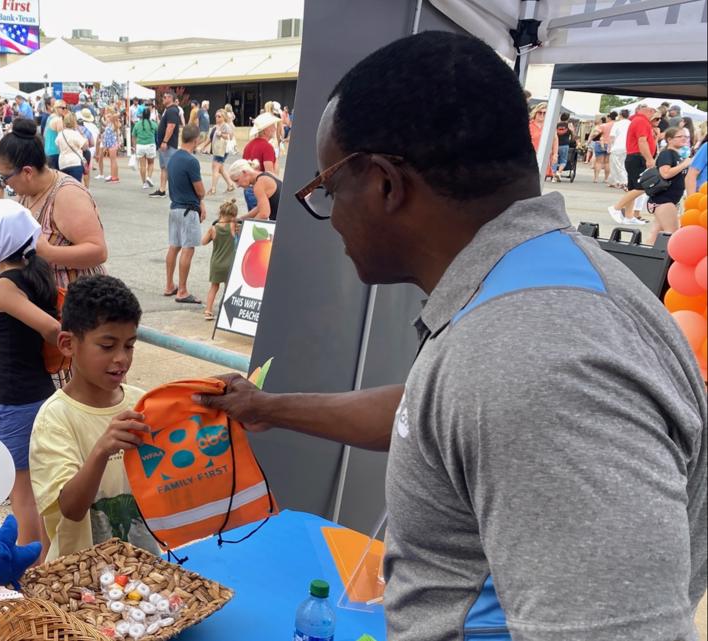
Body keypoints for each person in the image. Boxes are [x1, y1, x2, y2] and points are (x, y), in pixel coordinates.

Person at [198, 31, 706, 640]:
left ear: (386, 183)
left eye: (329, 191)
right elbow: (433, 416)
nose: (331, 218)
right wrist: (267, 408)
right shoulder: (533, 286)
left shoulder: (534, 358)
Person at [28, 275, 159, 561]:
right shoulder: (55, 418)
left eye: (129, 345)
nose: (122, 358)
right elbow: (71, 509)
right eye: (107, 345)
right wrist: (102, 449)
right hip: (79, 581)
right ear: (67, 344)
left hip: (145, 568)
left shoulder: (143, 403)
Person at [0, 199, 61, 548]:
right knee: (30, 489)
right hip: (28, 392)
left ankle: (30, 568)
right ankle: (38, 560)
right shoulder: (32, 272)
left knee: (21, 491)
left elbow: (54, 329)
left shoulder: (3, 287)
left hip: (17, 399)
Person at [0, 119, 106, 292]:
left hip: (75, 300)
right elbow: (3, 242)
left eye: (5, 177)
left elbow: (98, 252)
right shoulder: (28, 193)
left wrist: (48, 252)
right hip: (42, 298)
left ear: (27, 172)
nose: (5, 184)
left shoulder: (67, 195)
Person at [164, 124, 206, 304]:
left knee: (174, 246)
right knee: (188, 249)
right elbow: (200, 189)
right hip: (188, 210)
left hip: (174, 207)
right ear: (196, 140)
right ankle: (182, 290)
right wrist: (202, 200)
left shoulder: (172, 158)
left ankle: (169, 285)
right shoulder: (191, 161)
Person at [608, 104, 657, 225]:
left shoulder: (637, 120)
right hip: (638, 157)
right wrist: (649, 159)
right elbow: (642, 140)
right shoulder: (641, 121)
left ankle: (629, 216)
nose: (654, 115)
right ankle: (616, 207)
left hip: (634, 157)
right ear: (648, 110)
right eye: (653, 112)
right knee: (642, 186)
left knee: (633, 188)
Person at [646, 127, 695, 245]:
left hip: (668, 200)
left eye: (686, 137)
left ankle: (645, 256)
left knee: (655, 233)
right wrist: (684, 165)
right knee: (671, 234)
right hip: (664, 199)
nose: (684, 139)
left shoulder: (677, 155)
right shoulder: (667, 154)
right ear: (670, 139)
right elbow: (665, 173)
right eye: (680, 136)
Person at [201, 199, 238, 321]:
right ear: (233, 215)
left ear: (220, 213)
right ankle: (228, 311)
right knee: (229, 288)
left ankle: (208, 311)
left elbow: (203, 242)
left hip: (216, 263)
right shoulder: (233, 226)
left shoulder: (213, 228)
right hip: (229, 263)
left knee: (214, 287)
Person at [149, 91, 181, 198]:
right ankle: (162, 190)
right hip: (164, 145)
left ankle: (175, 191)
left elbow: (171, 126)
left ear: (170, 98)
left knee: (170, 167)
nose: (162, 99)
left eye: (164, 97)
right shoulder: (168, 110)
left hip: (168, 145)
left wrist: (165, 141)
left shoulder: (172, 110)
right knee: (164, 168)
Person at [206, 110, 235, 195]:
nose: (217, 118)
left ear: (224, 117)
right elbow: (211, 138)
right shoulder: (216, 126)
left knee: (215, 167)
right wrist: (204, 146)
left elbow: (229, 136)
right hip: (217, 150)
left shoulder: (225, 125)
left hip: (222, 150)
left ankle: (213, 188)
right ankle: (230, 185)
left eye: (219, 116)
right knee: (221, 169)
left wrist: (221, 134)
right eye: (216, 116)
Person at [57, 112, 88, 183]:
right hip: (74, 162)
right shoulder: (75, 134)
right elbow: (85, 147)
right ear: (74, 122)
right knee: (76, 186)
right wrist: (82, 135)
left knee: (66, 185)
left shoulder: (60, 134)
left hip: (63, 163)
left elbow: (58, 148)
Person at [132, 105, 157, 189]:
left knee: (142, 166)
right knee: (151, 163)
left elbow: (133, 136)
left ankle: (144, 183)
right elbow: (158, 131)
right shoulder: (153, 124)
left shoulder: (137, 124)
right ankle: (149, 177)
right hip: (150, 145)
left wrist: (134, 146)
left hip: (140, 146)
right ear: (149, 115)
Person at [608, 108, 631, 189]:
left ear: (620, 115)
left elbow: (612, 136)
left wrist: (609, 147)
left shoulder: (617, 124)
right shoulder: (630, 123)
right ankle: (614, 181)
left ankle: (623, 181)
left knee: (616, 165)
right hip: (628, 147)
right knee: (623, 165)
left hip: (617, 146)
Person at [99, 108, 120, 183]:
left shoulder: (113, 122)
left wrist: (111, 114)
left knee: (113, 160)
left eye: (108, 115)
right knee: (112, 161)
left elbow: (116, 115)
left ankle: (115, 177)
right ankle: (114, 176)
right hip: (111, 144)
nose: (107, 116)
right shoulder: (110, 123)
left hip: (112, 144)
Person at [43, 101, 67, 169]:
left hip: (48, 150)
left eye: (65, 107)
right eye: (62, 108)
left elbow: (44, 134)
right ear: (56, 108)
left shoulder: (50, 117)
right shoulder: (58, 120)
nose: (65, 109)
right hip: (55, 151)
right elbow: (62, 137)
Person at [551, 113, 574, 182]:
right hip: (565, 144)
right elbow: (573, 135)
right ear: (568, 118)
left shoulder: (556, 124)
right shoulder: (569, 125)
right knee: (563, 160)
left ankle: (553, 175)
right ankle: (559, 172)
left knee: (555, 159)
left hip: (556, 144)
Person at [588, 116, 610, 183]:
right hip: (609, 144)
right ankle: (606, 179)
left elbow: (595, 134)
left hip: (599, 143)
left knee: (598, 162)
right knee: (607, 162)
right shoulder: (614, 126)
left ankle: (596, 178)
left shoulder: (601, 126)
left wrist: (590, 139)